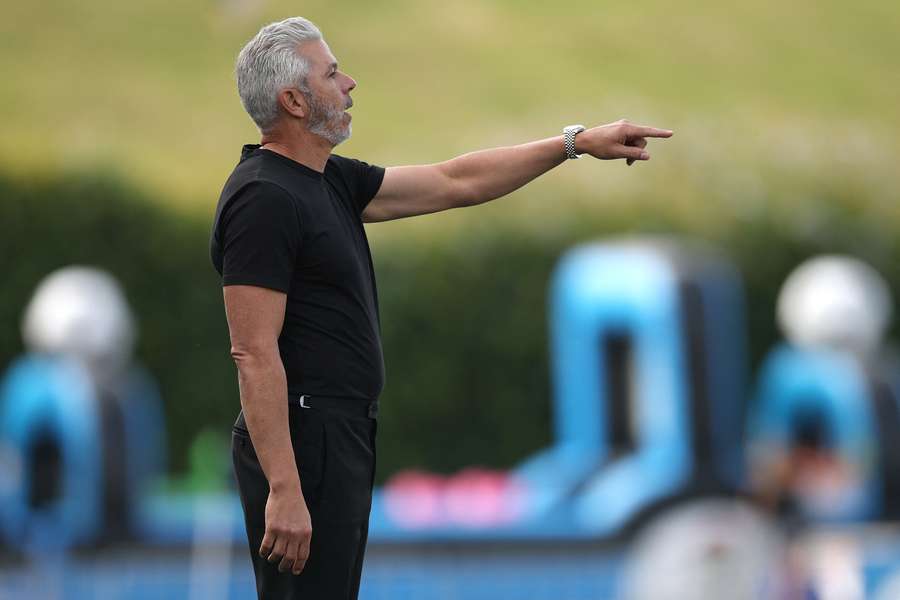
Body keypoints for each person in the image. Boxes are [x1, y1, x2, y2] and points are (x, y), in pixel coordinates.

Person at [210, 15, 673, 600]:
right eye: (332, 73)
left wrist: (573, 144)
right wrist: (284, 486)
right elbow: (253, 351)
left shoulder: (325, 180)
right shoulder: (263, 197)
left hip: (338, 434)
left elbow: (458, 181)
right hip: (303, 443)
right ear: (294, 100)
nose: (350, 83)